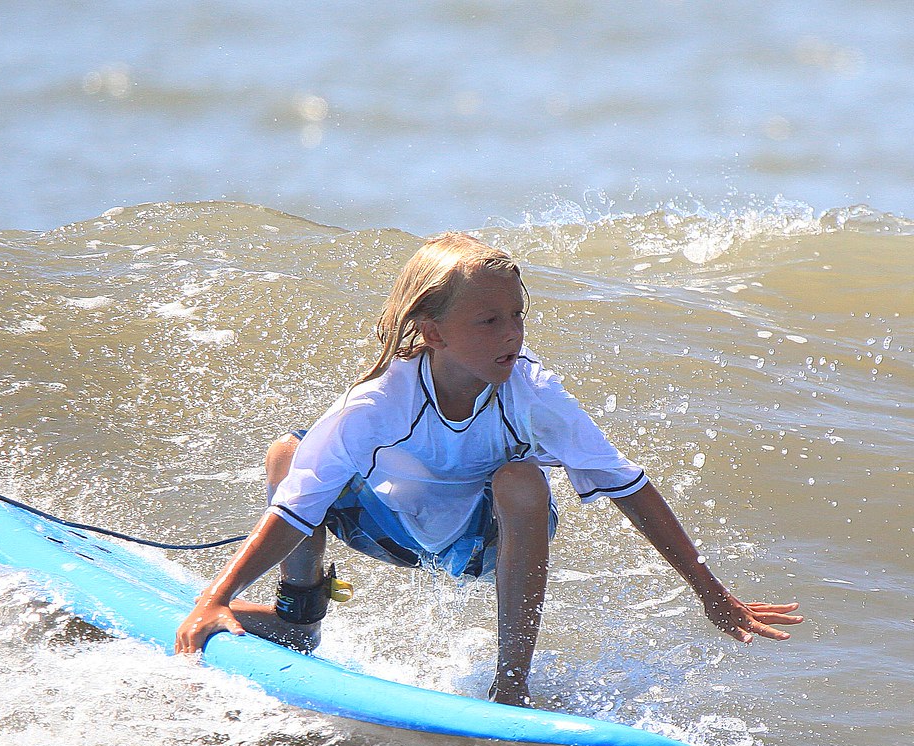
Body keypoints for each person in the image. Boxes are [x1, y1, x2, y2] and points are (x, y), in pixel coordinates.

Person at [175, 232, 802, 706]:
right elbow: (295, 508)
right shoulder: (377, 405)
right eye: (489, 320)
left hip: (481, 542)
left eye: (518, 315)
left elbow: (627, 487)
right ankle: (296, 620)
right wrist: (214, 599)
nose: (513, 334)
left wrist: (710, 592)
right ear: (432, 331)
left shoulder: (533, 394)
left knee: (521, 479)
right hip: (388, 528)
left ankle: (511, 684)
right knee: (289, 455)